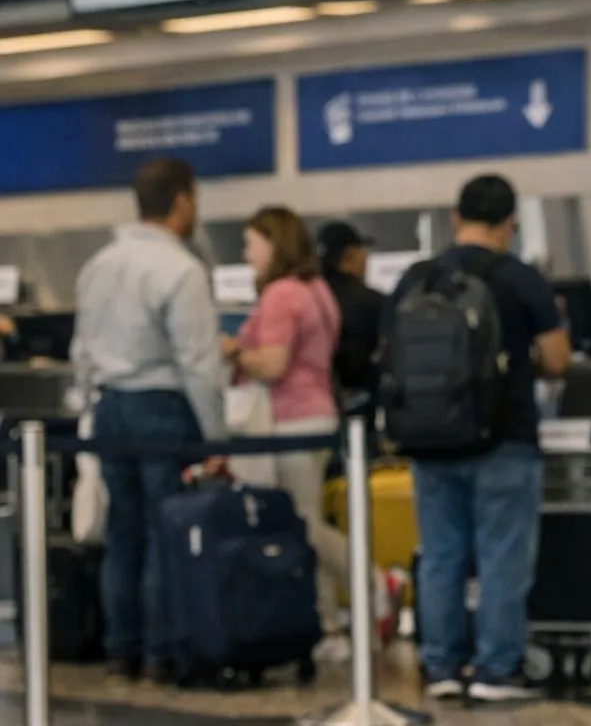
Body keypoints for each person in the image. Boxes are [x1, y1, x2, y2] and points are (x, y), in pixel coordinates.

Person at [387, 174, 572, 703]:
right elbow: (557, 359)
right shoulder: (519, 277)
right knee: (502, 558)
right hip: (504, 438)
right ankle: (496, 670)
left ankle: (440, 667)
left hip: (428, 439)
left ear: (455, 218)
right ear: (510, 222)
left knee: (440, 557)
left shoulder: (417, 279)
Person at [71, 157, 226, 682]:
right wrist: (216, 438)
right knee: (166, 532)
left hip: (111, 408)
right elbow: (199, 363)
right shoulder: (181, 270)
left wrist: (89, 407)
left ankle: (122, 649)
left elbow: (81, 352)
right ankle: (162, 652)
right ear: (182, 200)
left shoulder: (98, 265)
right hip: (163, 406)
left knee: (124, 532)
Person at [222, 206, 378, 659]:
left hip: (290, 420)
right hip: (318, 414)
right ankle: (326, 625)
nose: (247, 254)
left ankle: (375, 583)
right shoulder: (316, 290)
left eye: (252, 244)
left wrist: (232, 350)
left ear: (274, 244)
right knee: (304, 521)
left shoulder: (280, 296)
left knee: (302, 525)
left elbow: (273, 363)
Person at [316, 221, 385, 413]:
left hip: (317, 404)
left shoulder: (308, 299)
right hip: (364, 401)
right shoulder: (373, 301)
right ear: (350, 255)